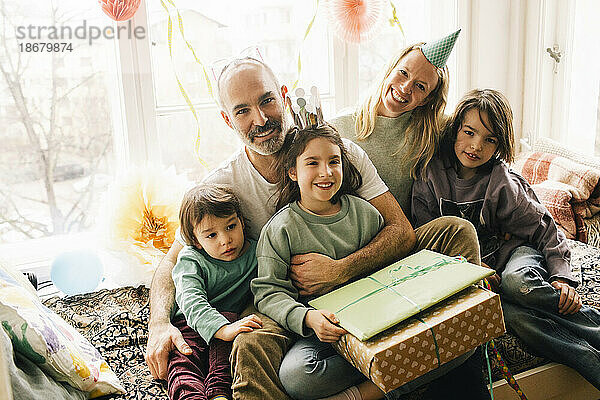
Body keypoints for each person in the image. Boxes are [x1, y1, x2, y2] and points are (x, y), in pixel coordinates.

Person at [145, 50, 481, 400]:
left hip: (367, 273)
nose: (260, 119)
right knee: (252, 346)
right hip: (294, 300)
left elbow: (401, 231)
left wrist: (342, 269)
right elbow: (173, 263)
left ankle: (457, 339)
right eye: (242, 111)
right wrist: (159, 324)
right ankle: (432, 359)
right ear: (228, 121)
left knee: (455, 232)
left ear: (285, 96)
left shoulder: (339, 154)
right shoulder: (226, 185)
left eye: (267, 101)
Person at [331, 31, 491, 399]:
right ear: (390, 68)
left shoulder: (430, 133)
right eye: (403, 74)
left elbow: (478, 146)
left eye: (420, 87)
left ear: (430, 98)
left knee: (460, 230)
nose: (405, 89)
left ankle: (466, 333)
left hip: (402, 247)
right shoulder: (340, 128)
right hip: (354, 255)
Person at [411, 88, 600, 389]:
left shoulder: (501, 182)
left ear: (500, 144)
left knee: (518, 284)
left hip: (517, 254)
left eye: (490, 139)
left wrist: (562, 279)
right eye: (469, 132)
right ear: (455, 129)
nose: (476, 146)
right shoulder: (430, 177)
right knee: (511, 317)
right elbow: (429, 246)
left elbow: (545, 229)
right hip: (483, 278)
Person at [252, 123, 386, 400]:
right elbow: (267, 293)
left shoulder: (364, 214)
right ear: (293, 172)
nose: (325, 172)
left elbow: (384, 264)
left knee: (452, 347)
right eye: (312, 163)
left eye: (333, 161)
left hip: (375, 323)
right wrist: (308, 318)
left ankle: (374, 387)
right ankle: (387, 380)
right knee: (296, 375)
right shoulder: (280, 230)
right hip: (323, 335)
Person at [167, 184, 263, 400]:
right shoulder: (191, 259)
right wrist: (221, 328)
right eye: (211, 235)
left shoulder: (256, 252)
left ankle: (218, 394)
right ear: (195, 240)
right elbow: (190, 300)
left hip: (230, 322)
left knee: (226, 360)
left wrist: (227, 329)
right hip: (190, 323)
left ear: (241, 222)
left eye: (231, 227)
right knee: (183, 360)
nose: (225, 240)